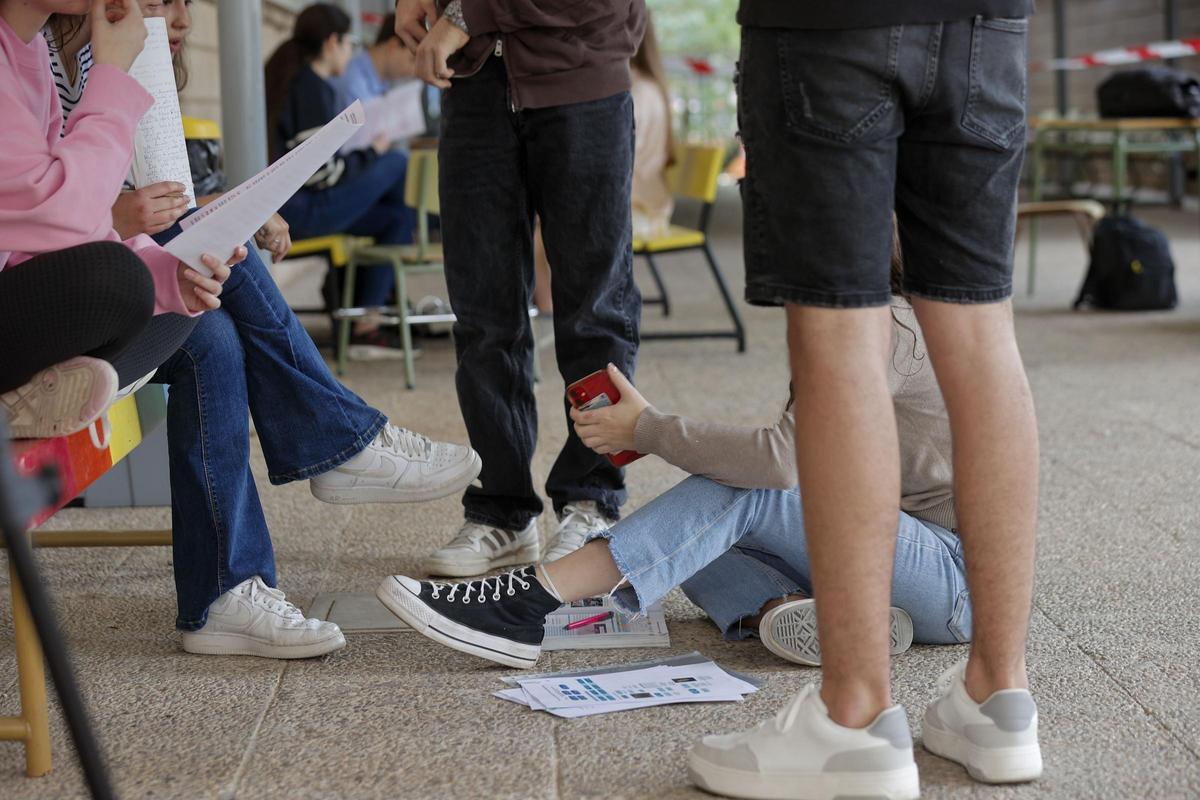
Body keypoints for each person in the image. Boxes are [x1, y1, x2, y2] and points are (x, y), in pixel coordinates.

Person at [41, 0, 484, 661]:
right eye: (160, 1)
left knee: (213, 333)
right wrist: (125, 215)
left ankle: (224, 595)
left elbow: (100, 205)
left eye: (178, 4)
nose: (169, 16)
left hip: (92, 289)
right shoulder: (32, 57)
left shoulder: (77, 59)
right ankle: (340, 441)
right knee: (205, 243)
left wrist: (178, 219)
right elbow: (49, 214)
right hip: (41, 313)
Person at [688, 2, 1043, 798]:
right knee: (983, 334)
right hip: (986, 25)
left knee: (841, 339)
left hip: (831, 25)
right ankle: (1000, 698)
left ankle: (853, 717)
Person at [375, 242, 972, 672]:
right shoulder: (875, 315)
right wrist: (651, 430)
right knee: (691, 537)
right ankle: (795, 611)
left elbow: (780, 463)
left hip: (953, 578)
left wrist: (650, 429)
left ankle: (529, 601)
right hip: (902, 560)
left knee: (743, 493)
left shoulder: (883, 324)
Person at [395, 0, 645, 579]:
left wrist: (464, 15)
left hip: (580, 72)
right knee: (483, 316)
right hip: (474, 86)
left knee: (595, 311)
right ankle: (502, 510)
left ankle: (591, 501)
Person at [1, 0, 236, 442]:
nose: (182, 17)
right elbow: (64, 216)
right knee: (122, 280)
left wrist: (170, 275)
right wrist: (112, 74)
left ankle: (25, 396)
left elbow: (40, 243)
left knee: (181, 297)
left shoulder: (29, 53)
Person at [267, 3, 414, 354]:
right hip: (298, 210)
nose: (351, 52)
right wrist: (370, 154)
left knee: (399, 217)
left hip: (297, 205)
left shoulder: (300, 80)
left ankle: (363, 321)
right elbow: (320, 174)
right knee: (395, 163)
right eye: (351, 43)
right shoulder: (310, 86)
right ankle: (367, 318)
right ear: (333, 42)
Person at [530, 12, 674, 315]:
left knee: (546, 229)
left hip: (640, 207)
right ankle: (548, 305)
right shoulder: (647, 86)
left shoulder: (632, 91)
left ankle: (548, 309)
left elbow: (613, 159)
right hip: (640, 200)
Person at [329, 11, 416, 106]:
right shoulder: (353, 85)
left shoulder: (382, 84)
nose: (413, 71)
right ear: (393, 46)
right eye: (412, 60)